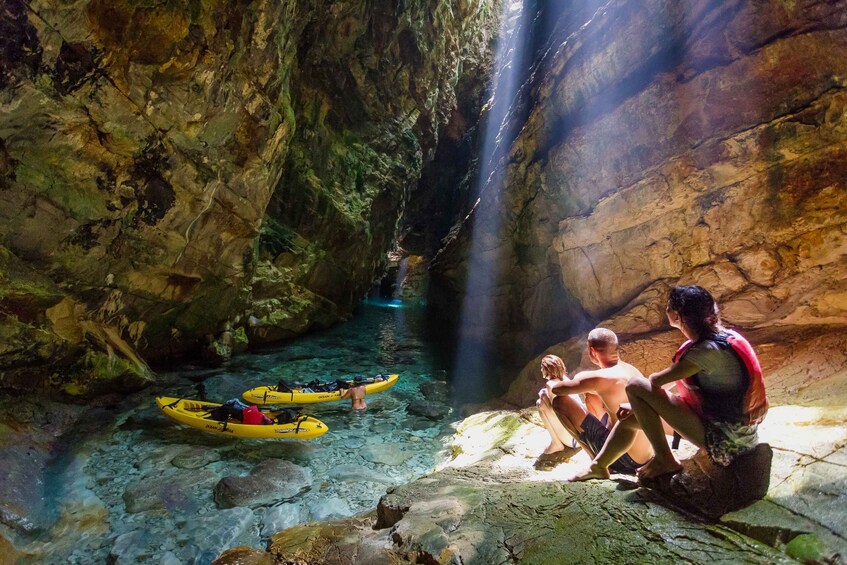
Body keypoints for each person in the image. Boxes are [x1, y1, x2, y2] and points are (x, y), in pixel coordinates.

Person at [571, 285, 768, 481]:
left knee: (635, 387)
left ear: (676, 315)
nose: (665, 309)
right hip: (735, 432)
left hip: (726, 442)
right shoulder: (726, 338)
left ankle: (665, 459)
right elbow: (666, 385)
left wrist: (638, 401)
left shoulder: (705, 352)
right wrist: (636, 407)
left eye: (668, 306)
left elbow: (654, 382)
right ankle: (599, 466)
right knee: (632, 418)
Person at [545, 328, 653, 475]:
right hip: (647, 454)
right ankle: (603, 456)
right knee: (592, 397)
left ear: (591, 350)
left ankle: (597, 462)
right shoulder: (631, 370)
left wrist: (555, 375)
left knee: (560, 402)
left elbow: (557, 390)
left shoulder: (597, 377)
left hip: (625, 459)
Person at [534, 355, 581, 469]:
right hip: (582, 436)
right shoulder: (566, 380)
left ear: (547, 369)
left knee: (540, 404)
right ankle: (557, 442)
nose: (541, 370)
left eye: (542, 367)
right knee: (543, 397)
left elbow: (557, 411)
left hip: (573, 440)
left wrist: (543, 397)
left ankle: (556, 443)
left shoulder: (551, 385)